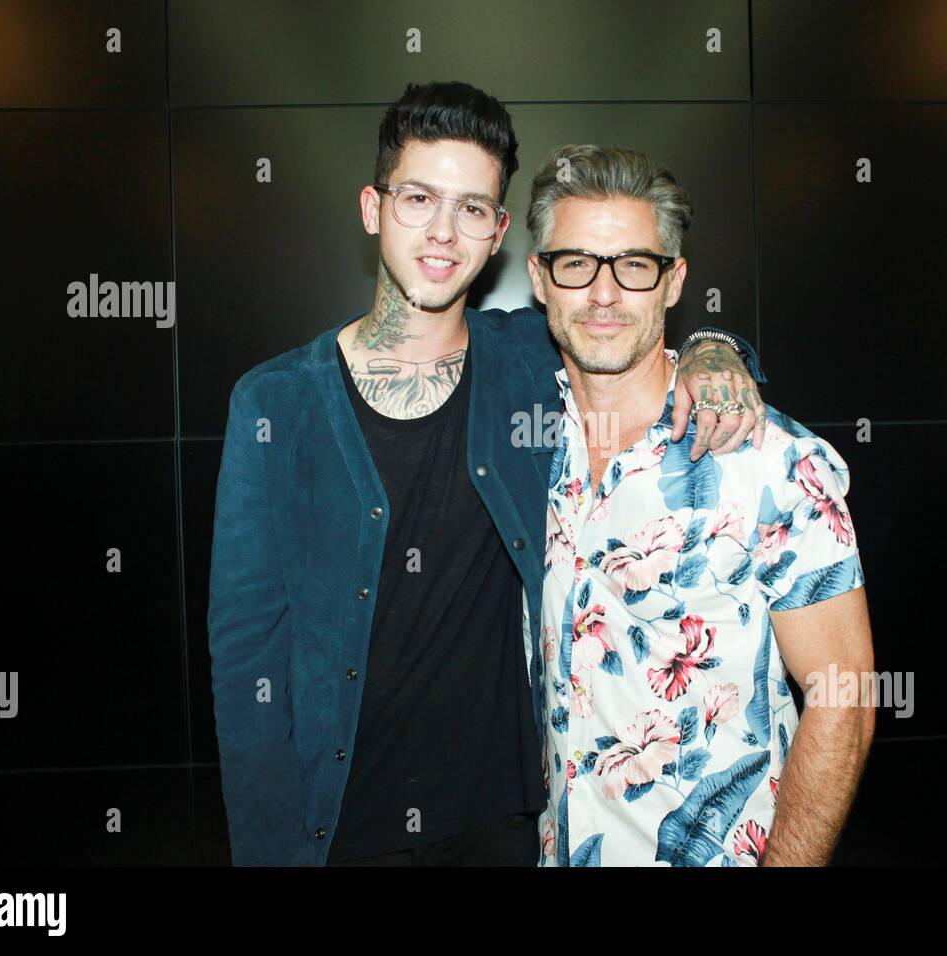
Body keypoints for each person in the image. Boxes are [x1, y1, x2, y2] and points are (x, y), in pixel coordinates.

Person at [206, 81, 767, 866]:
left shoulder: (529, 360)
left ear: (499, 231)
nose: (442, 231)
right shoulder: (275, 402)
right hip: (338, 827)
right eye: (418, 199)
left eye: (471, 208)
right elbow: (245, 655)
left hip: (504, 822)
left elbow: (627, 322)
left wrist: (717, 346)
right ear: (373, 208)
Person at [525, 144, 875, 867]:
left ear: (673, 280)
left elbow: (846, 700)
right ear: (539, 278)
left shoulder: (775, 463)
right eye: (576, 264)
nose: (603, 293)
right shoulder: (522, 442)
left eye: (634, 265)